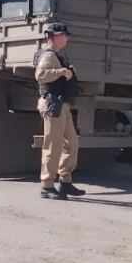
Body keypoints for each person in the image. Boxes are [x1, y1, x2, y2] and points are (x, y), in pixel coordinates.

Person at [34, 22, 86, 200]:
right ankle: (47, 186)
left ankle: (65, 181)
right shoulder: (48, 55)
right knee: (53, 146)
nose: (67, 39)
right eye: (64, 35)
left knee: (71, 143)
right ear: (56, 37)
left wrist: (66, 72)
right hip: (53, 104)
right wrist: (61, 72)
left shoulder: (58, 55)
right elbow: (40, 75)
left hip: (61, 104)